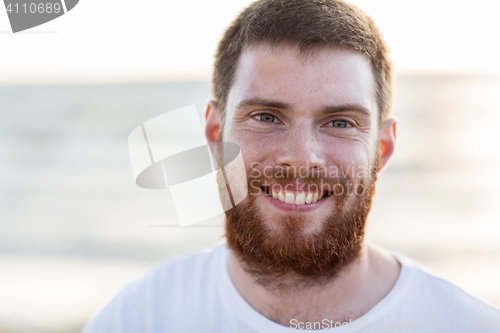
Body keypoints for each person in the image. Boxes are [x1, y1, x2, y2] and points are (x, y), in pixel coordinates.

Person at [82, 0, 500, 331]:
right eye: (266, 116)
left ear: (382, 148)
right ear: (214, 132)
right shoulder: (136, 319)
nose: (301, 158)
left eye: (340, 122)